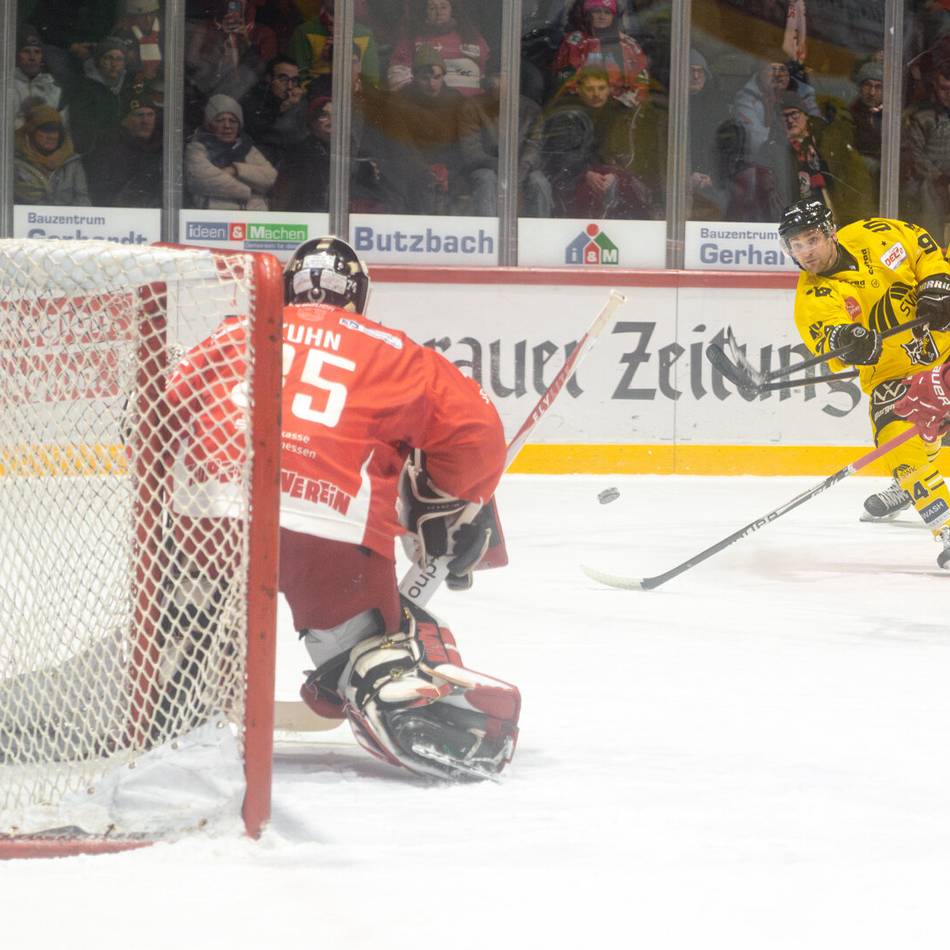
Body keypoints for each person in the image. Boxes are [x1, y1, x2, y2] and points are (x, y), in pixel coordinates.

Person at [164, 237, 519, 780]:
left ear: (284, 289)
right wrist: (447, 506)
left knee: (190, 617)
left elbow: (149, 417)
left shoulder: (228, 336)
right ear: (360, 297)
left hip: (210, 521)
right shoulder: (396, 352)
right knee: (362, 654)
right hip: (325, 531)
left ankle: (179, 669)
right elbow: (477, 435)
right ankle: (383, 678)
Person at [777, 198, 950, 566]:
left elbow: (920, 245)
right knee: (896, 439)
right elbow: (829, 339)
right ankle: (942, 520)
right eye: (796, 245)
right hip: (892, 373)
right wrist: (849, 341)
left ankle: (908, 483)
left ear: (830, 233)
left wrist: (937, 281)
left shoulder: (873, 234)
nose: (805, 252)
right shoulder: (813, 296)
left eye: (811, 239)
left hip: (946, 346)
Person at [184, 94, 277, 210]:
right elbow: (203, 180)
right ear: (210, 125)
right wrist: (251, 190)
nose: (227, 126)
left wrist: (235, 170)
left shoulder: (249, 149)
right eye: (220, 120)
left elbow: (270, 177)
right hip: (213, 222)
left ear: (239, 126)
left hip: (254, 220)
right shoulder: (197, 148)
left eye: (233, 121)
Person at [552, 0, 649, 110]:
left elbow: (642, 79)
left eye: (607, 12)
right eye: (597, 11)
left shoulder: (628, 44)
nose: (602, 16)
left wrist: (629, 100)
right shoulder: (574, 42)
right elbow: (562, 77)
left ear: (614, 16)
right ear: (587, 14)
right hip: (579, 106)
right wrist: (581, 95)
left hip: (620, 108)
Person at [388, 0, 489, 98]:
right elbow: (398, 74)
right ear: (425, 11)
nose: (439, 12)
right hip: (431, 105)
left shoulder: (470, 35)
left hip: (471, 104)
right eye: (432, 8)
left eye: (443, 7)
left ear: (452, 9)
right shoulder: (412, 37)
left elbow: (486, 69)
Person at [83, 87, 163, 206]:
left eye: (150, 115)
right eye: (139, 115)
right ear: (125, 121)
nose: (145, 121)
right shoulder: (108, 148)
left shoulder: (162, 148)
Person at [14, 104, 90, 206]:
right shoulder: (14, 163)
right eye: (45, 130)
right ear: (31, 132)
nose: (52, 136)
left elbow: (83, 198)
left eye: (55, 130)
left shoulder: (72, 162)